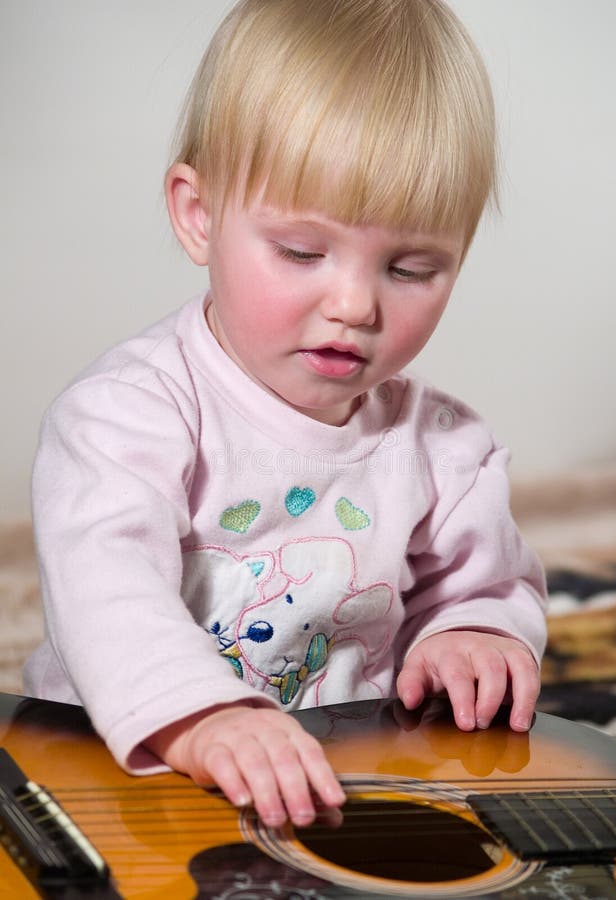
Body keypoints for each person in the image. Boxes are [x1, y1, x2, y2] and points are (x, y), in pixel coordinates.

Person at [25, 0, 547, 830]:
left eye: (411, 268)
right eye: (302, 252)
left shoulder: (444, 446)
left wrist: (477, 632)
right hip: (123, 785)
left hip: (331, 791)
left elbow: (485, 583)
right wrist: (204, 716)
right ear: (199, 216)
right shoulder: (125, 415)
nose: (354, 305)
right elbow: (105, 589)